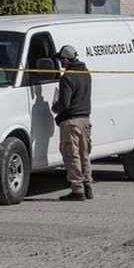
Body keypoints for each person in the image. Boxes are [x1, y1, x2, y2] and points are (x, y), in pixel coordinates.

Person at [51, 45, 93, 201]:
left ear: (67, 59)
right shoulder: (86, 73)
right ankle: (88, 186)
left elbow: (65, 104)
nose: (60, 63)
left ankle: (78, 190)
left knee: (71, 156)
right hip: (85, 120)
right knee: (84, 155)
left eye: (61, 59)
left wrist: (55, 108)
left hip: (71, 122)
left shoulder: (67, 77)